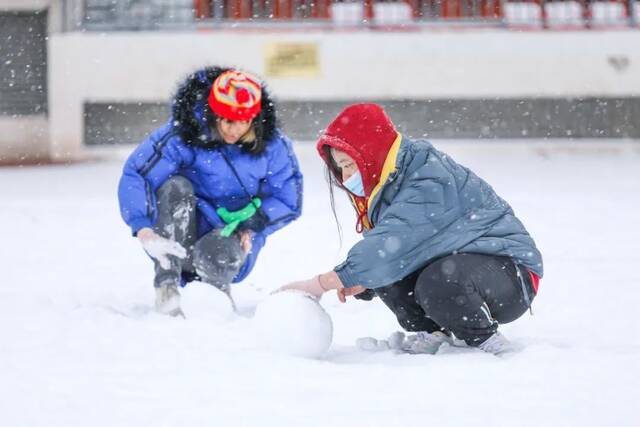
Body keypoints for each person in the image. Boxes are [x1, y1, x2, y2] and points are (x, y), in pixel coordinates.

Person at [280, 103, 542, 355]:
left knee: (431, 277)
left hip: (510, 274)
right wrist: (366, 281)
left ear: (370, 152)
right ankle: (432, 331)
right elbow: (401, 248)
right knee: (387, 271)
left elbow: (391, 242)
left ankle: (485, 338)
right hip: (457, 263)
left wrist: (320, 284)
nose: (346, 176)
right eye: (341, 169)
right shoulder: (387, 183)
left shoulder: (427, 177)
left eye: (350, 165)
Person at [118, 67, 303, 316]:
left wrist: (252, 224)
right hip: (181, 235)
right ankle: (167, 288)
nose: (234, 129)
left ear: (255, 119)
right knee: (175, 186)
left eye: (243, 122)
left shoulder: (273, 146)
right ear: (213, 114)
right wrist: (143, 228)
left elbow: (288, 199)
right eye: (227, 120)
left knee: (218, 251)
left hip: (234, 239)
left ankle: (216, 302)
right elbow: (138, 174)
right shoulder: (182, 135)